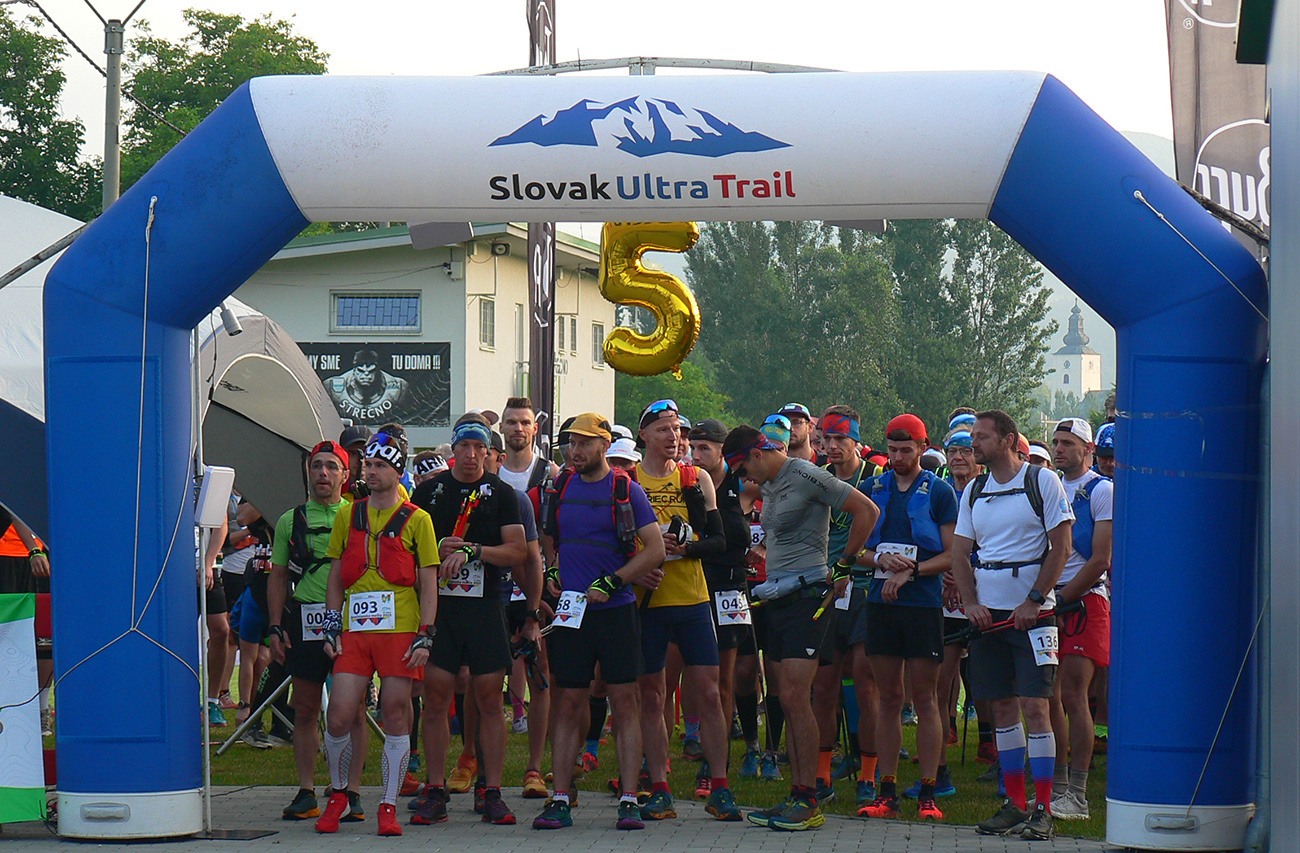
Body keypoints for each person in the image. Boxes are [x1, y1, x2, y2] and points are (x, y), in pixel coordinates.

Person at [723, 424, 879, 831]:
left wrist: (844, 564)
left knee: (795, 695)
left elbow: (867, 511)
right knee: (785, 697)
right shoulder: (770, 483)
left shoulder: (807, 474)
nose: (745, 479)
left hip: (809, 596)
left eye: (743, 470)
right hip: (778, 597)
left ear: (756, 455)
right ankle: (797, 793)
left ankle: (809, 800)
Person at [532, 413, 666, 831]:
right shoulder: (560, 486)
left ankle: (629, 799)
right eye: (572, 443)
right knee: (568, 703)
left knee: (625, 703)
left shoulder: (626, 489)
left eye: (585, 443)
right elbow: (550, 538)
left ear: (604, 446)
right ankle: (560, 797)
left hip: (616, 610)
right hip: (572, 611)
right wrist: (552, 570)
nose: (576, 451)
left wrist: (615, 580)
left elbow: (656, 549)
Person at [951, 410, 1074, 841]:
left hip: (1035, 617)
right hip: (989, 617)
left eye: (981, 437)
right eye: (972, 437)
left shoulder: (1043, 481)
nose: (973, 444)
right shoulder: (974, 490)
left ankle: (1044, 808)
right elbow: (959, 552)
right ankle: (1015, 803)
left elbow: (1062, 546)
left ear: (1007, 440)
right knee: (1001, 707)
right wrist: (970, 602)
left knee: (1036, 706)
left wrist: (1034, 599)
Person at [316, 433, 440, 836]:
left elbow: (428, 581)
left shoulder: (417, 519)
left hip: (400, 630)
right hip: (354, 629)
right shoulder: (348, 514)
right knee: (339, 713)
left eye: (380, 465)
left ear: (398, 471)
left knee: (395, 712)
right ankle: (339, 794)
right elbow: (336, 574)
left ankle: (388, 804)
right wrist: (331, 623)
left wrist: (425, 634)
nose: (370, 472)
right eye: (368, 464)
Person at [410, 414, 530, 827]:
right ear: (454, 449)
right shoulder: (430, 491)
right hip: (440, 609)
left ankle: (491, 790)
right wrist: (436, 548)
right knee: (436, 698)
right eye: (465, 446)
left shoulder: (502, 493)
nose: (472, 455)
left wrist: (475, 551)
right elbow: (408, 547)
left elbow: (518, 551)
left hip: (485, 607)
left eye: (480, 448)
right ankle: (435, 789)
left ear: (490, 452)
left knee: (489, 698)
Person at [633, 400, 740, 822]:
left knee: (709, 693)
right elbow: (614, 540)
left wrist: (686, 547)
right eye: (664, 429)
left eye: (677, 429)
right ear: (644, 435)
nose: (674, 437)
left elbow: (719, 541)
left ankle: (719, 786)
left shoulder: (695, 478)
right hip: (649, 603)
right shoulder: (629, 480)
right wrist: (639, 567)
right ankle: (659, 787)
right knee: (652, 695)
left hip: (693, 600)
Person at [854, 414, 958, 822]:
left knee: (926, 699)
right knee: (888, 698)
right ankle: (887, 791)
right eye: (892, 450)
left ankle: (929, 791)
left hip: (923, 604)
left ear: (922, 447)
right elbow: (854, 549)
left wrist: (912, 571)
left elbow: (952, 554)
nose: (898, 457)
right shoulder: (871, 488)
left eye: (906, 450)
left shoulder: (940, 491)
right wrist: (880, 560)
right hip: (881, 604)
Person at [267, 441, 370, 821]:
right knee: (306, 708)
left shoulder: (359, 515)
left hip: (350, 620)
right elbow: (278, 576)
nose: (322, 473)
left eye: (331, 467)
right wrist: (275, 627)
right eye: (316, 466)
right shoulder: (290, 520)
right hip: (305, 618)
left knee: (355, 710)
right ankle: (307, 791)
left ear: (346, 475)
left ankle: (353, 792)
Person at [809, 406, 880, 808]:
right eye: (827, 439)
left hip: (865, 588)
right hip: (826, 589)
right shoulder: (816, 478)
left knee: (866, 683)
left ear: (856, 440)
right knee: (823, 686)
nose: (832, 447)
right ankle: (822, 772)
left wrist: (855, 563)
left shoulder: (875, 477)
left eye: (841, 439)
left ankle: (868, 775)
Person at [1048, 418, 1112, 821]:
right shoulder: (1049, 485)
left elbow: (1101, 558)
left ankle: (1078, 793)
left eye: (1068, 443)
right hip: (1050, 600)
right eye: (1056, 442)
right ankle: (1054, 787)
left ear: (1087, 449)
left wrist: (1061, 598)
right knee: (1048, 695)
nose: (1059, 449)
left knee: (1074, 694)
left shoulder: (1101, 490)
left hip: (1084, 601)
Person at [687, 418, 753, 800]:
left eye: (704, 449)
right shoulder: (688, 482)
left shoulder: (742, 483)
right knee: (688, 677)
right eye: (692, 448)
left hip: (731, 588)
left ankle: (717, 764)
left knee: (725, 682)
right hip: (694, 586)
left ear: (721, 450)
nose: (696, 456)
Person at [498, 397, 560, 497]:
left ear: (535, 428)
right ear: (501, 427)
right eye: (511, 422)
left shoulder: (550, 473)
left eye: (525, 423)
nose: (518, 429)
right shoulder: (490, 470)